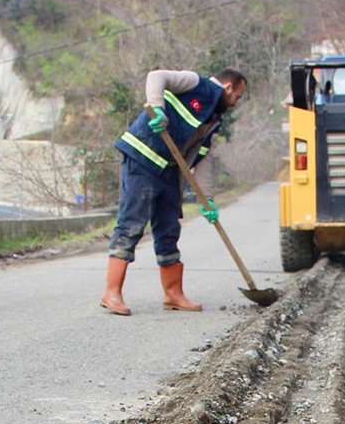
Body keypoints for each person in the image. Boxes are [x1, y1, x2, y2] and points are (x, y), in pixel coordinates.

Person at [100, 68, 248, 316]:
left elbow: (202, 158)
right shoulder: (194, 83)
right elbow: (156, 76)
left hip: (169, 170)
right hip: (143, 158)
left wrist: (207, 198)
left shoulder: (213, 118)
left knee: (169, 229)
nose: (236, 103)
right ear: (229, 87)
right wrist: (157, 108)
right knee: (132, 224)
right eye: (238, 96)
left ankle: (173, 294)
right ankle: (112, 292)